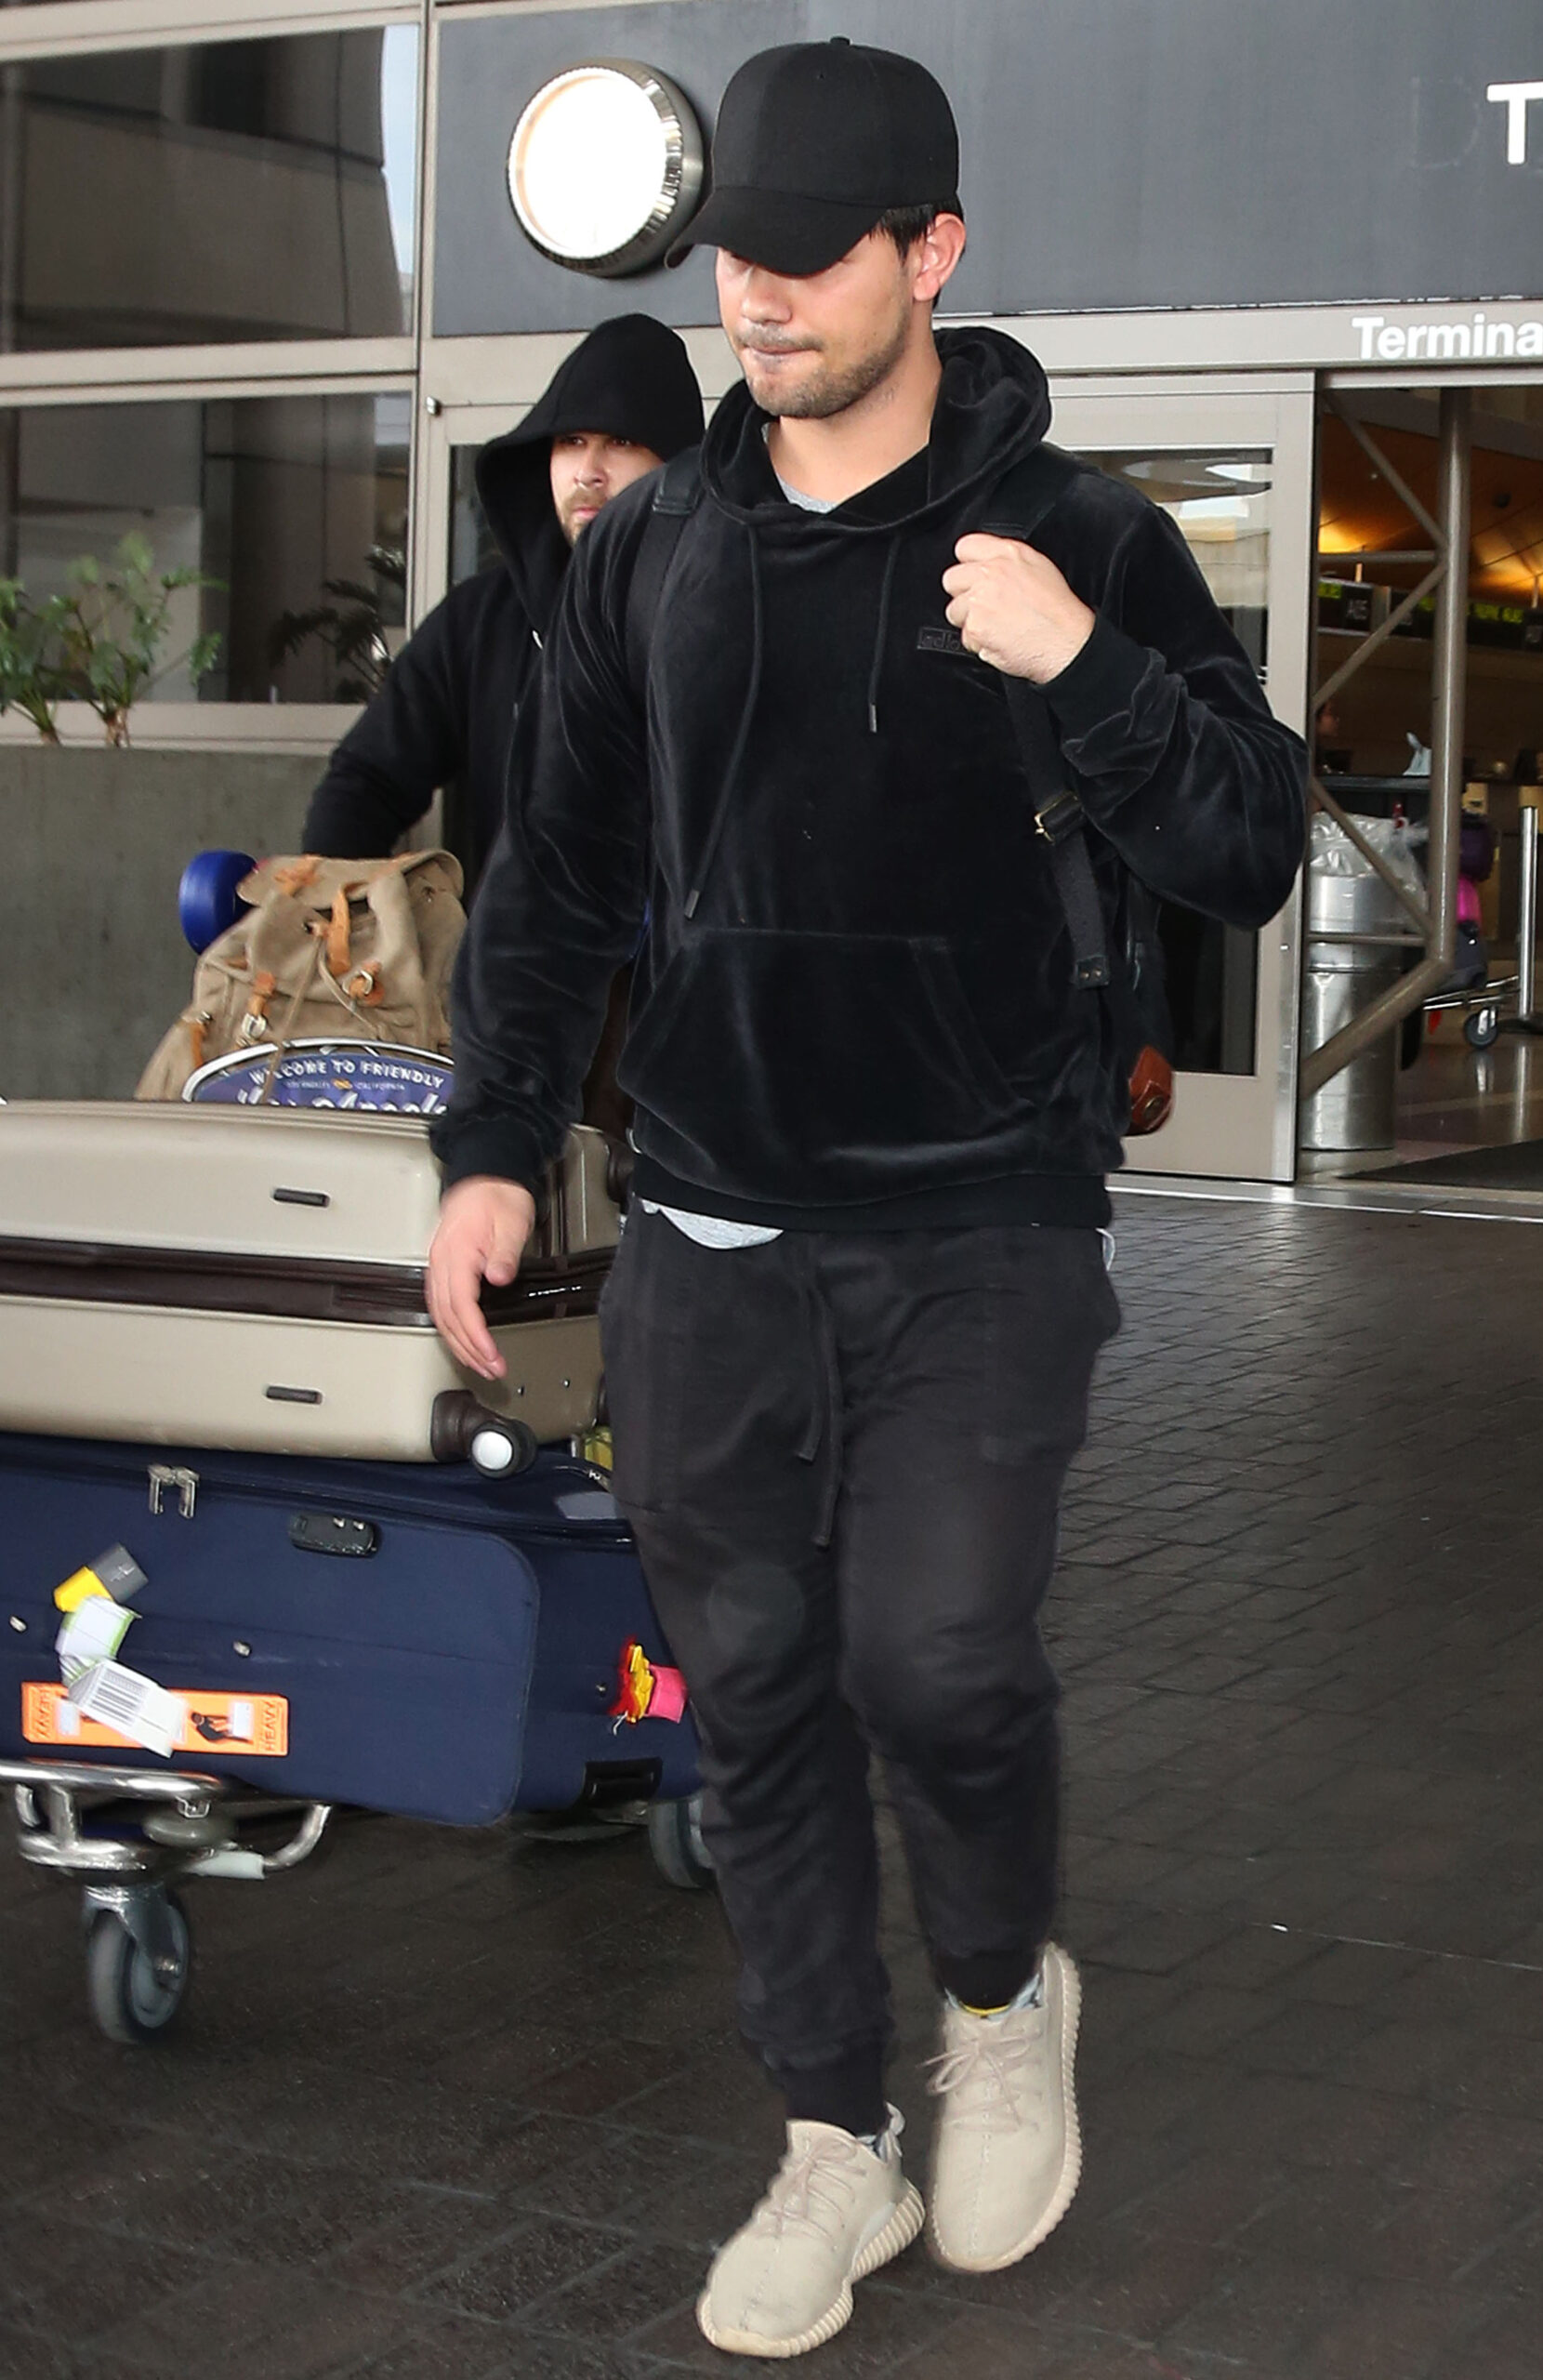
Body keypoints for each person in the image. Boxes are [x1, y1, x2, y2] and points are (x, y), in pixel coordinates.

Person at [428, 39, 1308, 2360]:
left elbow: (1246, 841)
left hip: (982, 1224)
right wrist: (496, 1147)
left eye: (814, 263)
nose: (762, 302)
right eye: (738, 257)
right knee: (759, 1691)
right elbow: (555, 880)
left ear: (932, 254)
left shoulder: (1086, 538)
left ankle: (1005, 1998)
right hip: (715, 1229)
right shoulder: (657, 555)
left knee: (936, 1656)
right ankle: (836, 2130)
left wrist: (1090, 668)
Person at [300, 313, 706, 881]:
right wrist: (330, 910)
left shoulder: (727, 616)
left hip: (682, 966)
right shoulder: (482, 621)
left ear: (677, 468)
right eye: (571, 442)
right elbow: (368, 779)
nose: (588, 471)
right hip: (516, 963)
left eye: (620, 442)